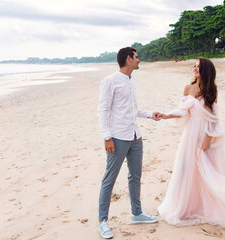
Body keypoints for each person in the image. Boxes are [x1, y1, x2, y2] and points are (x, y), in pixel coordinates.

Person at [157, 57, 225, 232]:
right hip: (190, 134)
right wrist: (166, 115)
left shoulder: (211, 90)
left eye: (198, 67)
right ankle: (186, 206)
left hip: (203, 134)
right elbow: (183, 111)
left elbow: (214, 118)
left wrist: (208, 138)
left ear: (206, 70)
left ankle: (207, 204)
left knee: (206, 169)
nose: (194, 69)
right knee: (186, 168)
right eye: (194, 66)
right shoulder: (188, 88)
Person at [97, 47, 159, 239]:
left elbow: (133, 109)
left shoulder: (131, 81)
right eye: (137, 57)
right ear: (128, 59)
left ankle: (137, 213)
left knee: (135, 176)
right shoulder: (110, 81)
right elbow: (103, 110)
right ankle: (102, 221)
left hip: (135, 137)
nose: (139, 60)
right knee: (110, 179)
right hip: (117, 138)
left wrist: (151, 114)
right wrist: (107, 137)